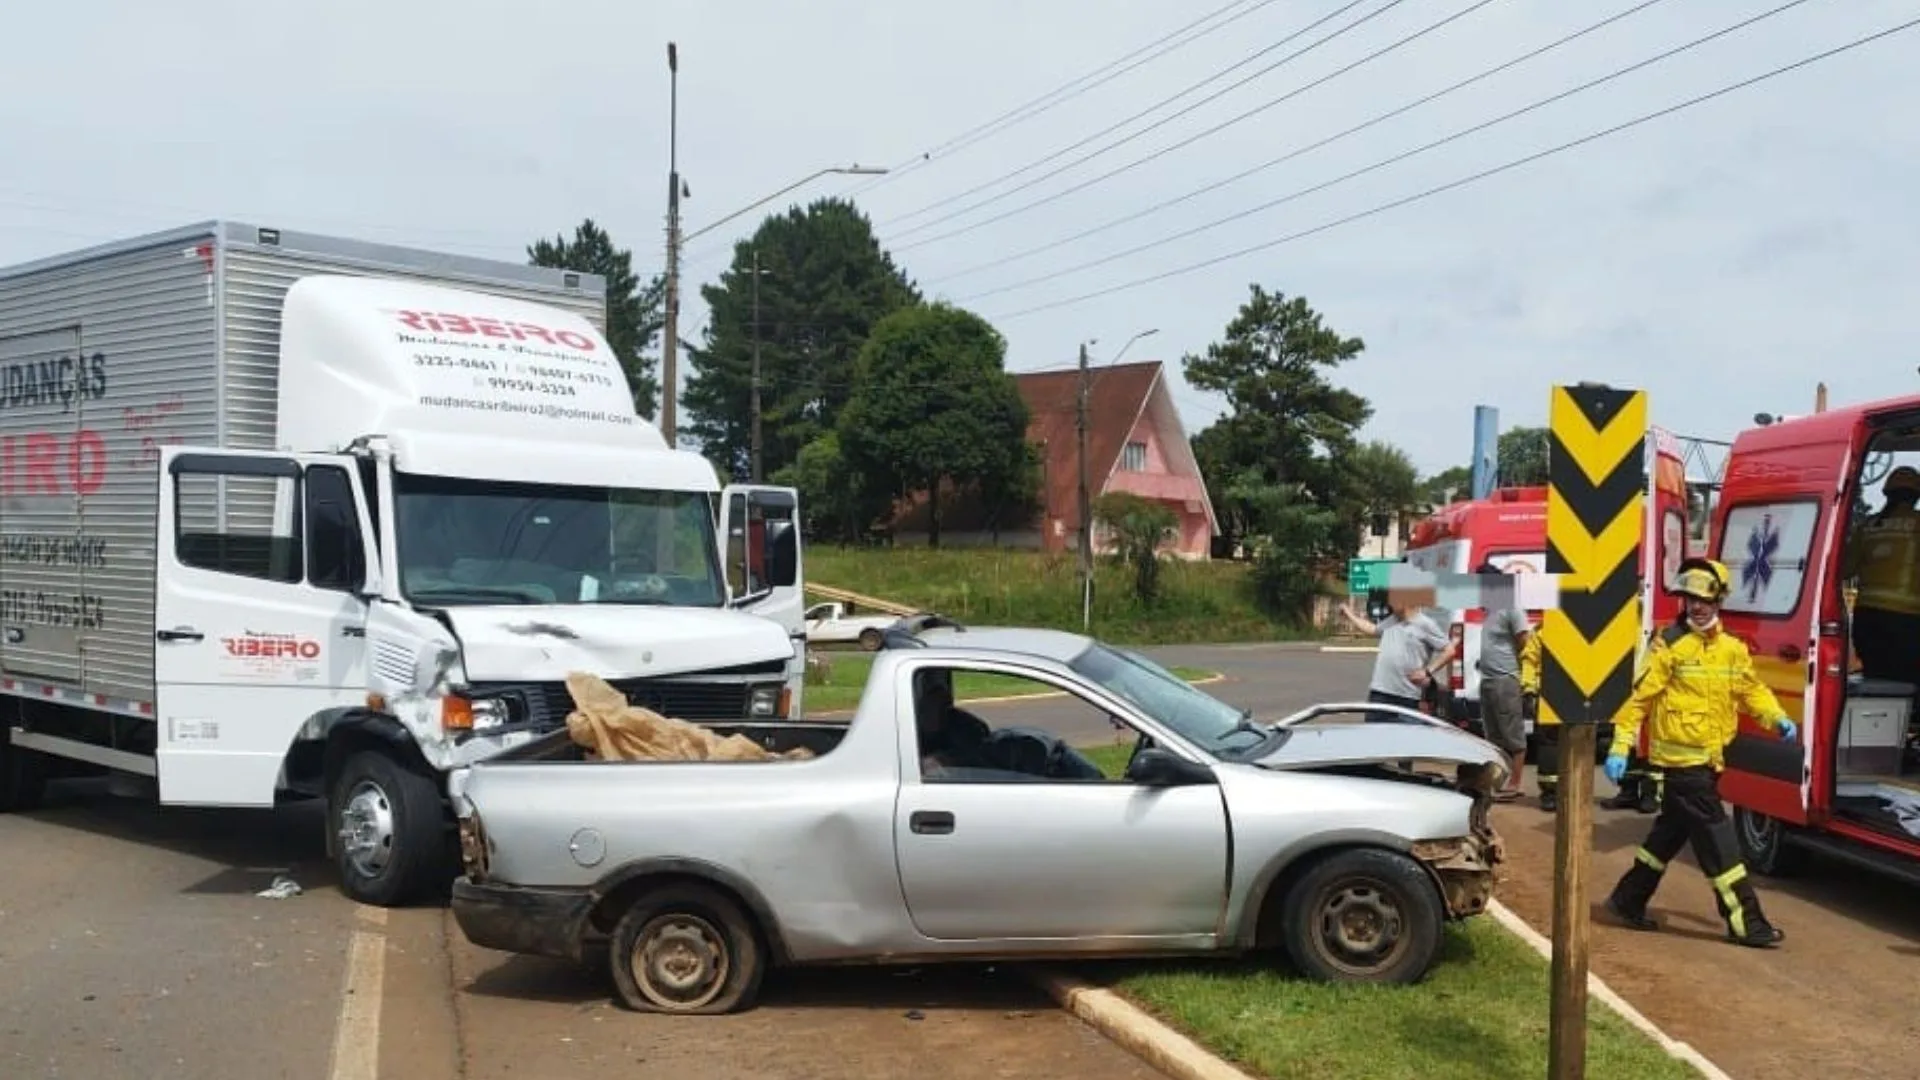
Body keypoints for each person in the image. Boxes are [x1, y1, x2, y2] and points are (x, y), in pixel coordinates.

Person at [1601, 557, 1797, 949]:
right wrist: (1621, 745)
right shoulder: (1669, 645)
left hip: (1708, 764)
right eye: (1689, 598)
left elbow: (1750, 690)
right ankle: (1747, 923)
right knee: (1719, 844)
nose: (1696, 606)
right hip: (1683, 767)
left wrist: (1776, 717)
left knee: (1668, 835)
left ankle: (1627, 899)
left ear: (1719, 600)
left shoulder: (1731, 649)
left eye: (1703, 598)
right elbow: (1637, 701)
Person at [1845, 465, 1920, 684]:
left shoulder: (1867, 525)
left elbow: (1847, 569)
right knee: (1905, 683)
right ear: (1915, 496)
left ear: (1887, 494)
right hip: (1905, 620)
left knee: (1876, 680)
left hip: (1866, 619)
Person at [1338, 589, 1458, 719]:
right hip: (1380, 693)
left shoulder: (1425, 624)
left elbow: (1450, 650)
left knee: (1403, 737)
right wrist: (1349, 613)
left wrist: (1427, 672)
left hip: (1407, 697)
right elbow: (1372, 629)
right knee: (1374, 736)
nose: (1390, 604)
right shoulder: (1392, 620)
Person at [1473, 560, 1531, 801]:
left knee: (1513, 734)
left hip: (1505, 680)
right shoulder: (1489, 609)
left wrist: (1521, 673)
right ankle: (1499, 779)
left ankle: (1516, 783)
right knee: (1494, 735)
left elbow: (1524, 642)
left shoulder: (1512, 608)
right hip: (1487, 679)